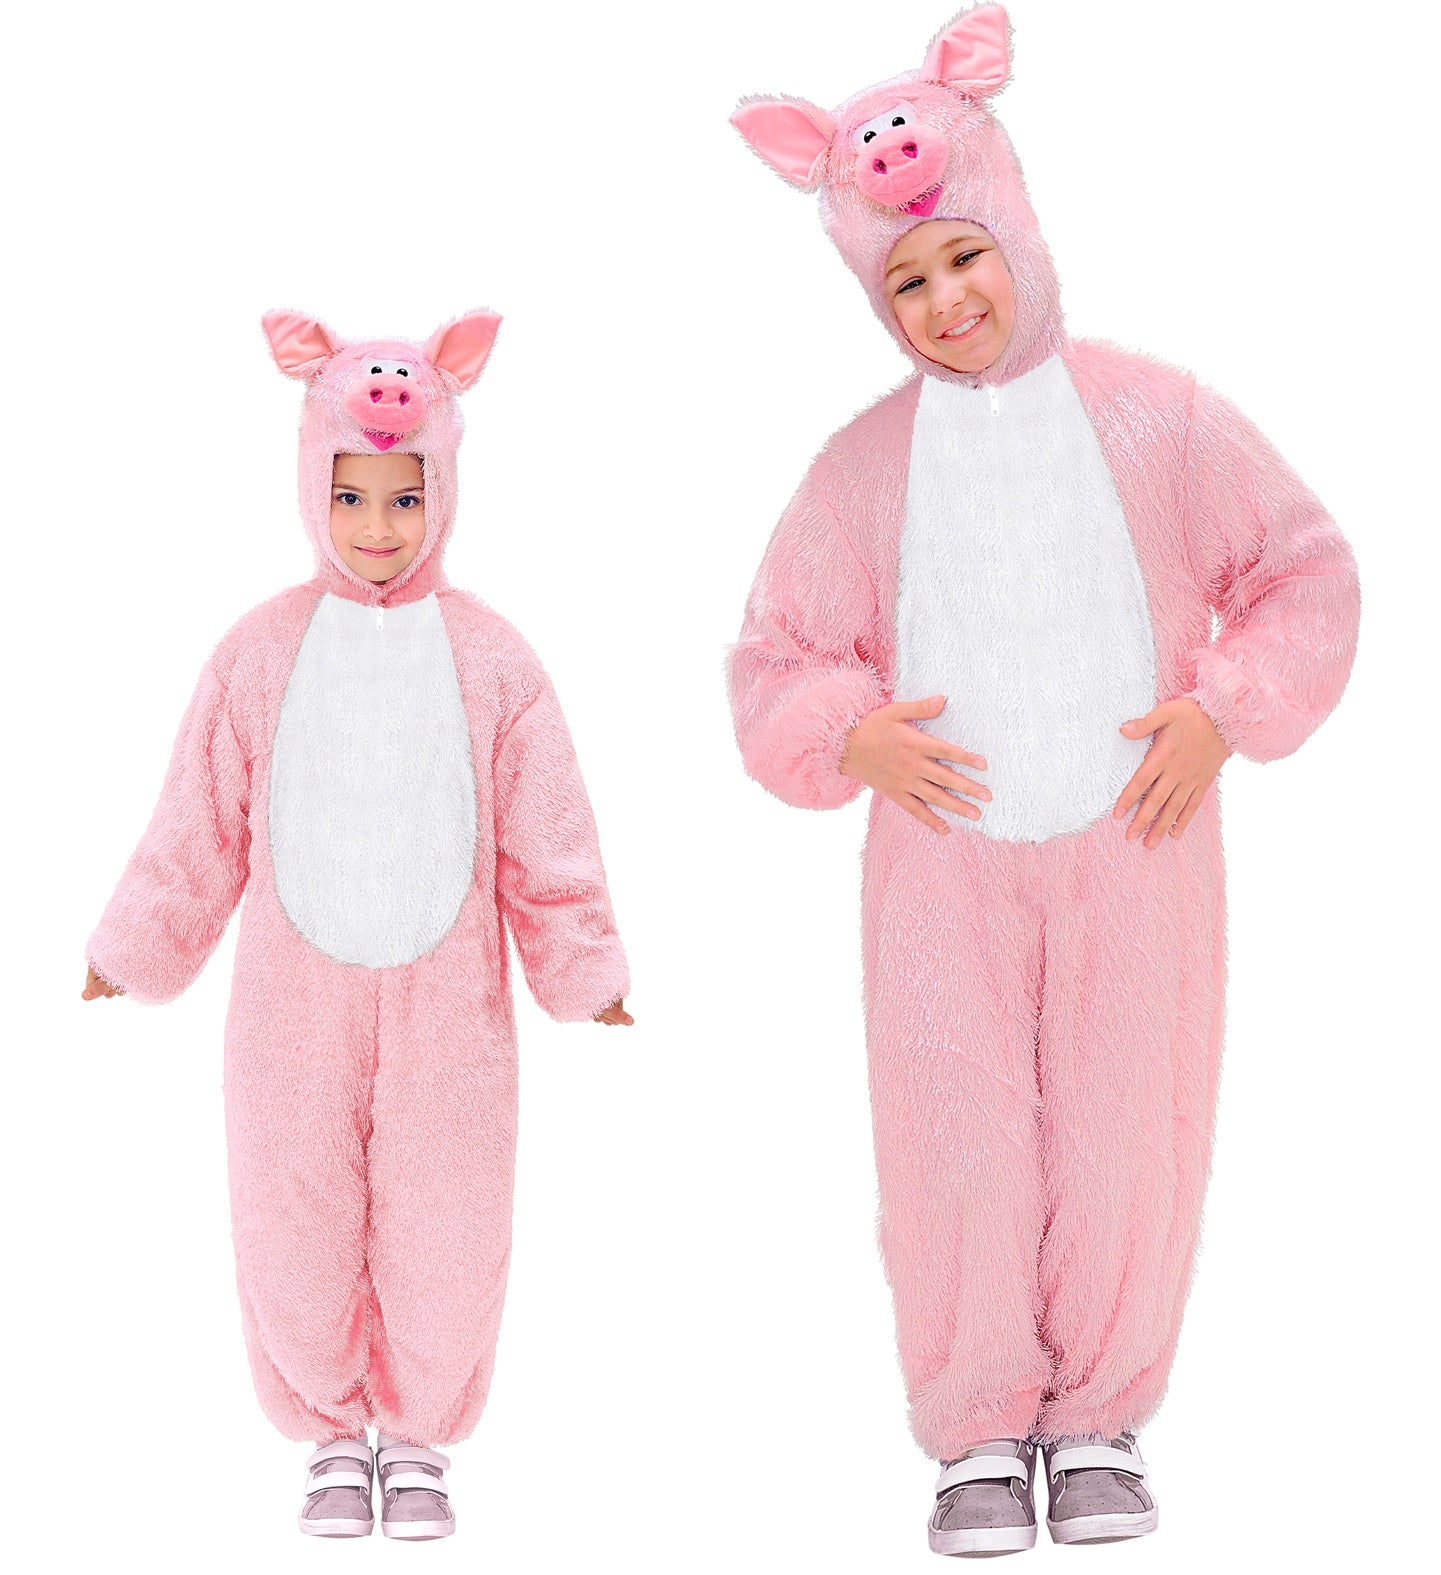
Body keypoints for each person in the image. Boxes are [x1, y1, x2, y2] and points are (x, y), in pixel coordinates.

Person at [728, 4, 1359, 1555]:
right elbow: (774, 654)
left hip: (1134, 840)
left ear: (1015, 227)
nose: (947, 299)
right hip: (939, 859)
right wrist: (845, 727)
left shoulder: (1160, 417)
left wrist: (1227, 708)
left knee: (1127, 1122)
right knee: (952, 1128)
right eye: (908, 281)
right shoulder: (861, 469)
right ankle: (972, 1425)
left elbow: (1304, 570)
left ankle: (1098, 1416)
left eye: (966, 256)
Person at [82, 308, 633, 1541]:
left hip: (452, 1008)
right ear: (309, 489)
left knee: (451, 1208)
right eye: (349, 498)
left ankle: (420, 1435)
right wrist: (132, 950)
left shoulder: (495, 661)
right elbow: (199, 822)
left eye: (403, 497)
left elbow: (545, 832)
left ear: (444, 491)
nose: (377, 527)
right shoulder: (257, 654)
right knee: (291, 1202)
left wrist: (584, 967)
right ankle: (332, 1432)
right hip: (294, 1003)